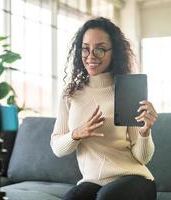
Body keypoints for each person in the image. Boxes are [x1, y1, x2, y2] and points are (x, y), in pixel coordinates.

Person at [50, 17, 158, 200]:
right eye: (85, 49)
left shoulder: (126, 91)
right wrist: (76, 134)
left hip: (134, 179)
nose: (91, 56)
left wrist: (145, 131)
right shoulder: (70, 94)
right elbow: (57, 148)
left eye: (100, 49)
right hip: (92, 181)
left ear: (113, 52)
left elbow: (142, 158)